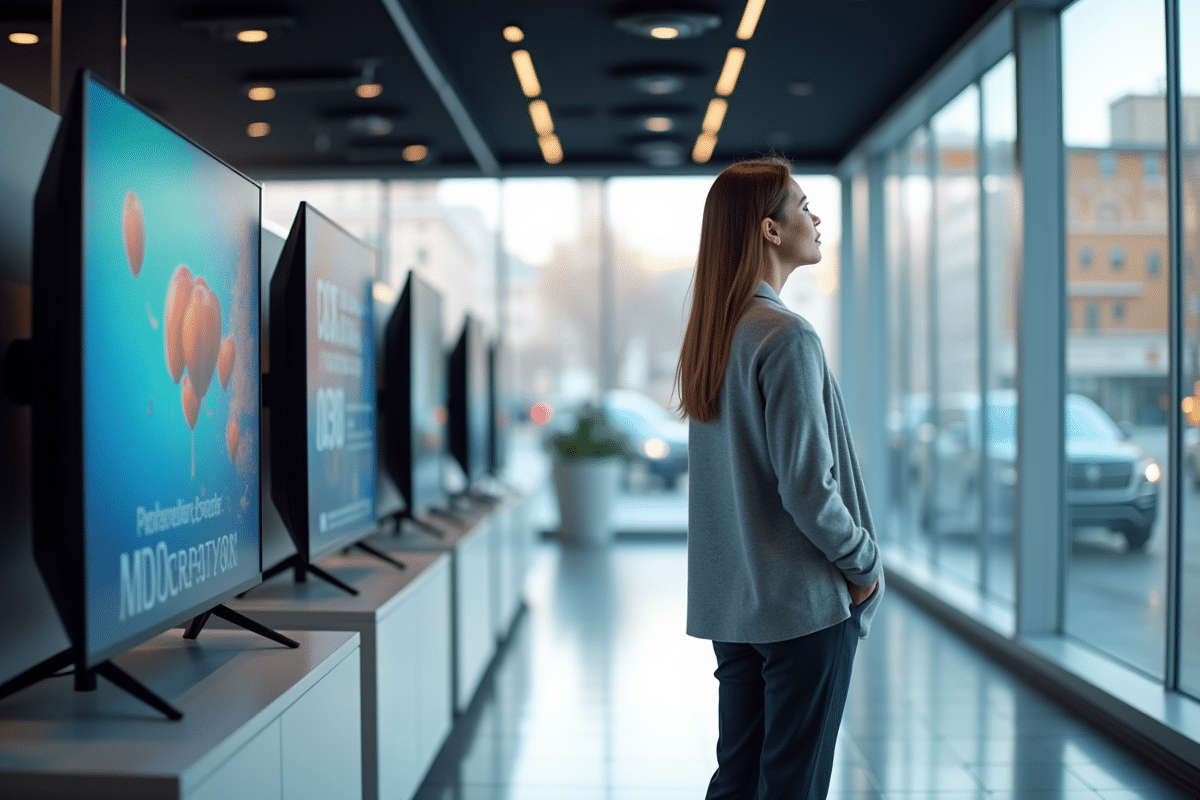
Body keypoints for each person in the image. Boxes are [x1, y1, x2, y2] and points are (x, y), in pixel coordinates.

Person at [675, 156, 883, 799]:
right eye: (802, 206)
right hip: (798, 608)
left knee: (737, 780)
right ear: (769, 229)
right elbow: (808, 489)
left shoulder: (716, 336)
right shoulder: (787, 336)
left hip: (735, 606)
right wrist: (865, 562)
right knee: (792, 785)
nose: (816, 219)